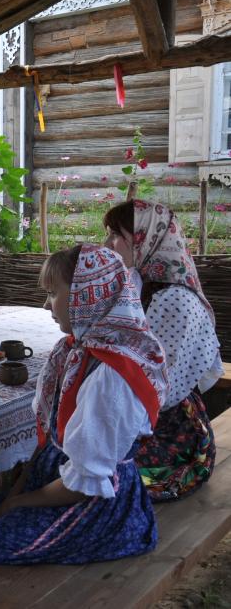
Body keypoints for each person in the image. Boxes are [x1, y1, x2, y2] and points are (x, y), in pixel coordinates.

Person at [0, 244, 167, 599]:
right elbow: (51, 439)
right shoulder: (79, 351)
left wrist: (18, 503)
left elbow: (87, 482)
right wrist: (19, 489)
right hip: (58, 483)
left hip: (96, 509)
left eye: (53, 294)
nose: (46, 305)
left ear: (87, 296)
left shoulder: (111, 375)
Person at [104, 199, 223, 501]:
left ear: (146, 239)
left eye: (116, 235)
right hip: (140, 418)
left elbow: (161, 391)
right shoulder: (142, 284)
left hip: (173, 440)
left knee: (92, 471)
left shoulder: (172, 300)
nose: (107, 243)